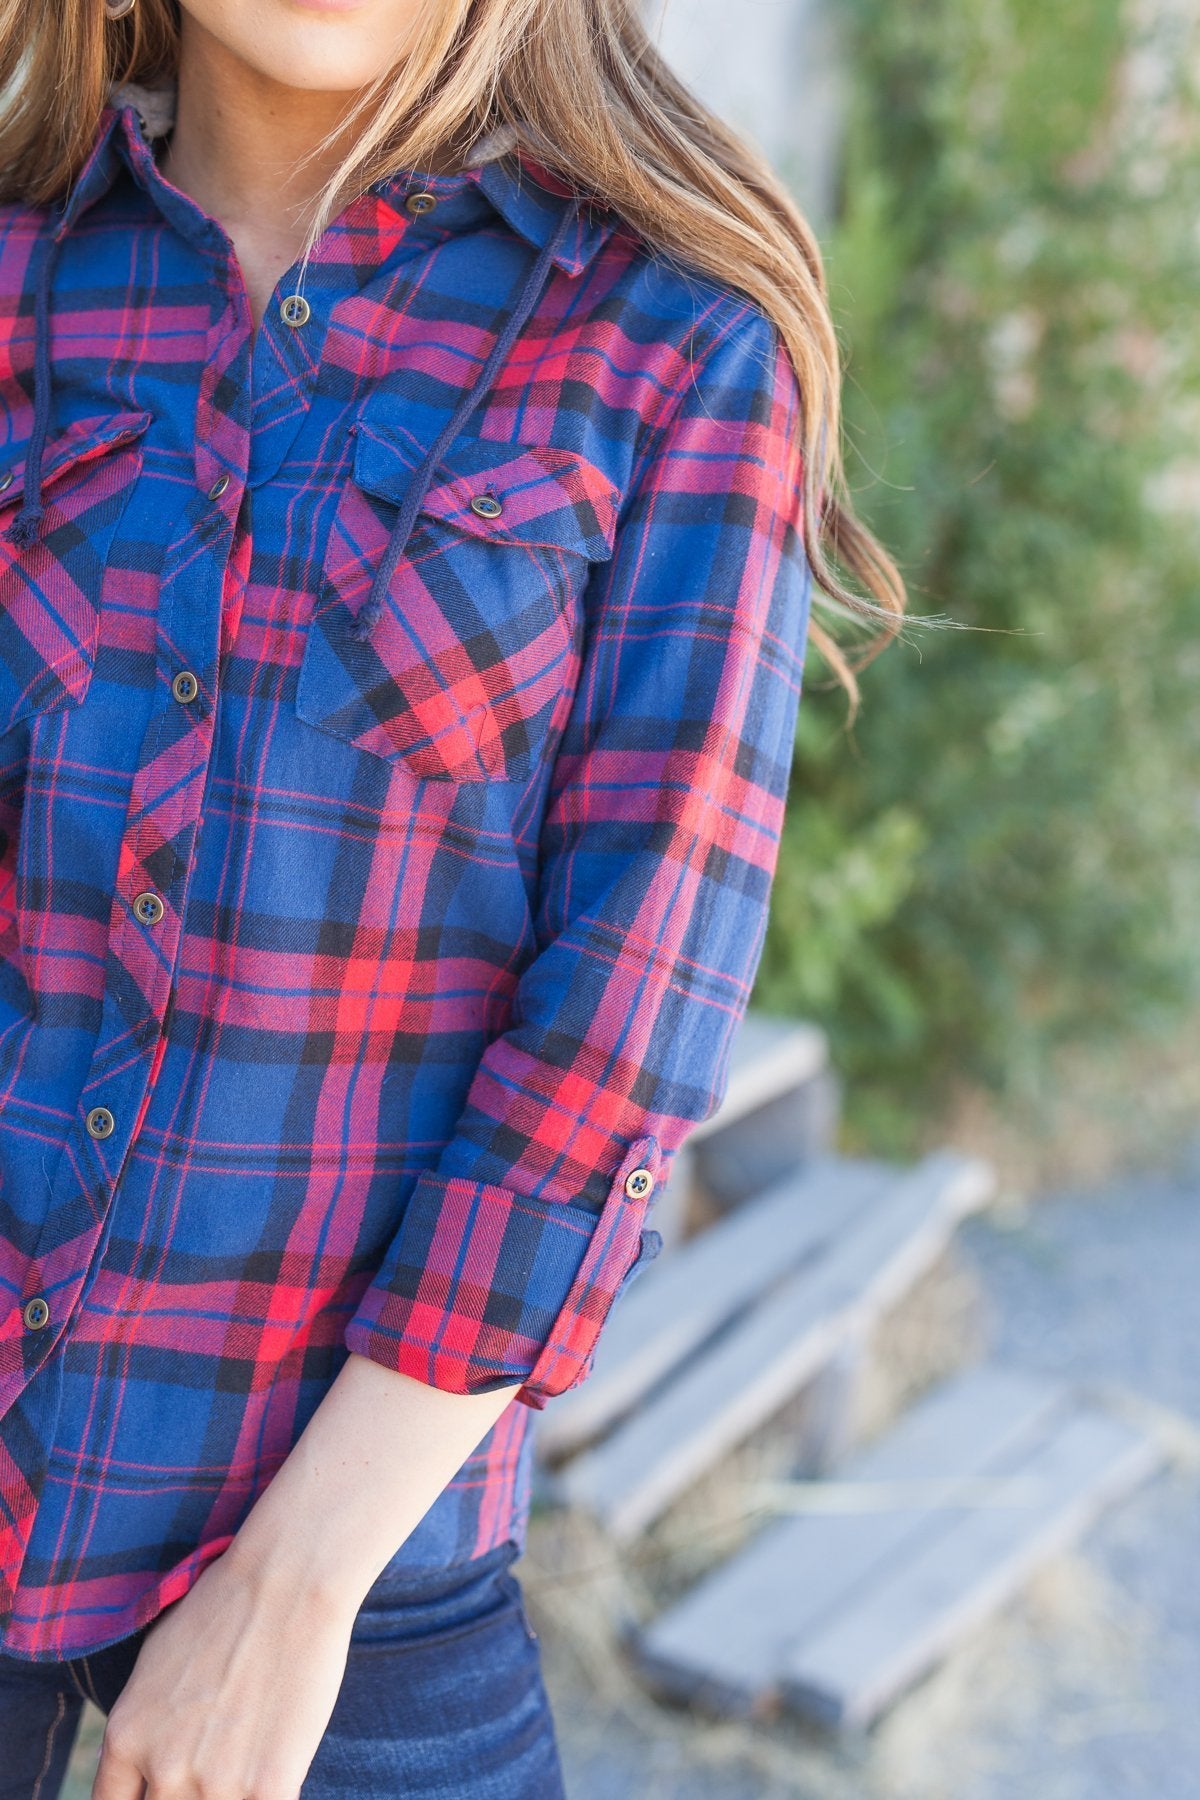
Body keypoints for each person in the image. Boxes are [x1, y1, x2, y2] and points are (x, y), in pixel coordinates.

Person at [0, 0, 905, 1794]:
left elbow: (624, 1027)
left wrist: (295, 1586)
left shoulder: (670, 346)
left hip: (361, 1582)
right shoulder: (26, 280)